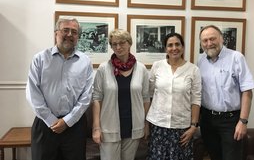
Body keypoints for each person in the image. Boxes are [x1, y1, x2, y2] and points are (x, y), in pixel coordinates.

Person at [26, 17, 93, 160]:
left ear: (78, 37)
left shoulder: (85, 62)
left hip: (74, 126)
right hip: (45, 125)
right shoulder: (40, 59)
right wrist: (51, 120)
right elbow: (33, 93)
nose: (69, 34)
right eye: (65, 30)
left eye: (74, 32)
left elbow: (86, 96)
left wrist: (67, 121)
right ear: (56, 33)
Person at [197, 25, 254, 160]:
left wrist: (243, 121)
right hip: (207, 119)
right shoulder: (200, 61)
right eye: (205, 41)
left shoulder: (236, 58)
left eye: (212, 39)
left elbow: (247, 91)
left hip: (230, 121)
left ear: (221, 39)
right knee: (214, 156)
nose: (209, 43)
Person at [92, 29, 150, 160]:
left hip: (134, 127)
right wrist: (96, 127)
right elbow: (96, 98)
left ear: (129, 43)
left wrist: (146, 124)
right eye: (114, 44)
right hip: (109, 127)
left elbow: (146, 98)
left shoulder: (141, 69)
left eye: (122, 43)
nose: (118, 47)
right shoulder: (103, 68)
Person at [146, 32, 202, 160]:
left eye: (177, 44)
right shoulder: (157, 66)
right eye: (170, 45)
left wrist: (194, 126)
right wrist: (145, 123)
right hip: (158, 125)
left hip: (182, 127)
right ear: (165, 48)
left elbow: (196, 99)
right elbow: (149, 94)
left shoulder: (193, 70)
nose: (174, 48)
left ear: (182, 47)